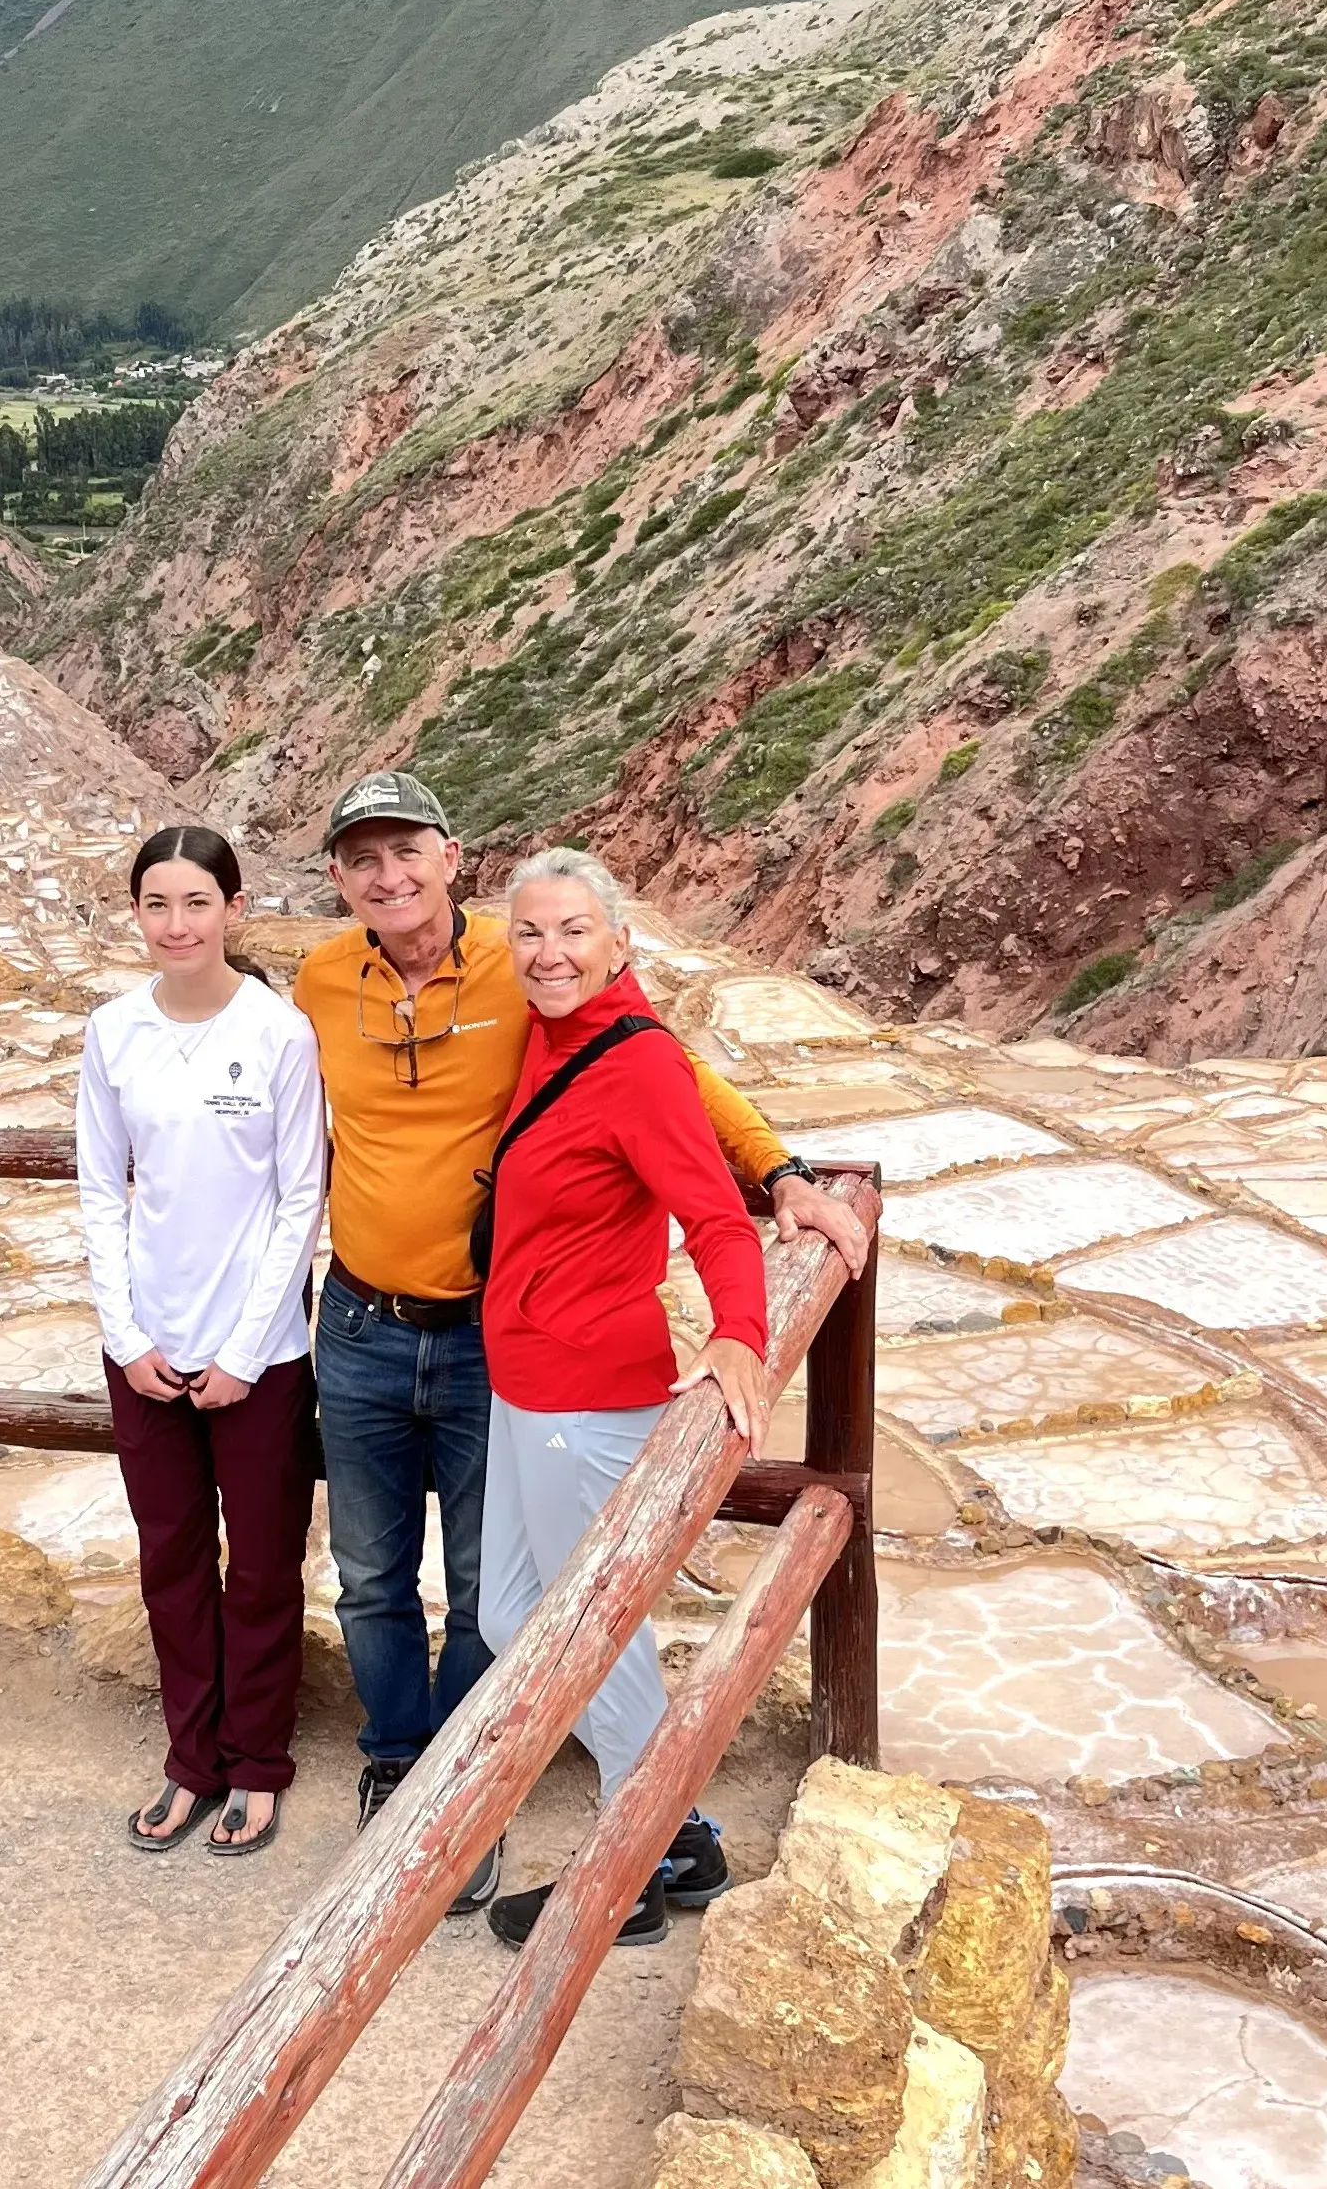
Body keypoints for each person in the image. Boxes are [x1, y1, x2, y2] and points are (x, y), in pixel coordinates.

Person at [291, 770, 872, 1913]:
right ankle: (603, 1817)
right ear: (338, 877)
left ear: (451, 857)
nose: (389, 875)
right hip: (408, 1335)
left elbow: (674, 1082)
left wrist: (780, 1178)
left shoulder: (534, 984)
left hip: (546, 1368)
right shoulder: (343, 981)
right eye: (364, 857)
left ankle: (641, 1839)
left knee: (561, 1611)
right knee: (481, 1602)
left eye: (408, 850)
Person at [475, 847, 768, 1947]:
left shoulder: (637, 1062)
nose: (549, 952)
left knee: (588, 1633)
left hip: (587, 1395)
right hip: (526, 1380)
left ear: (620, 943)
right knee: (514, 1614)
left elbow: (718, 1217)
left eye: (574, 931)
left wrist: (740, 1333)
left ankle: (630, 1866)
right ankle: (678, 1834)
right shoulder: (550, 1037)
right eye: (531, 932)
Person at [77, 824, 326, 1856]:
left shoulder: (279, 1034)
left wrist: (242, 1351)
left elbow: (301, 1197)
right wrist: (126, 1334)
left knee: (262, 1564)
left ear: (233, 908)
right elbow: (102, 1188)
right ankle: (192, 1759)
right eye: (157, 904)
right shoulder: (113, 1032)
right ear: (136, 912)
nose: (176, 924)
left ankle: (256, 1761)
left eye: (196, 902)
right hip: (146, 1346)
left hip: (259, 1353)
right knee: (170, 1560)